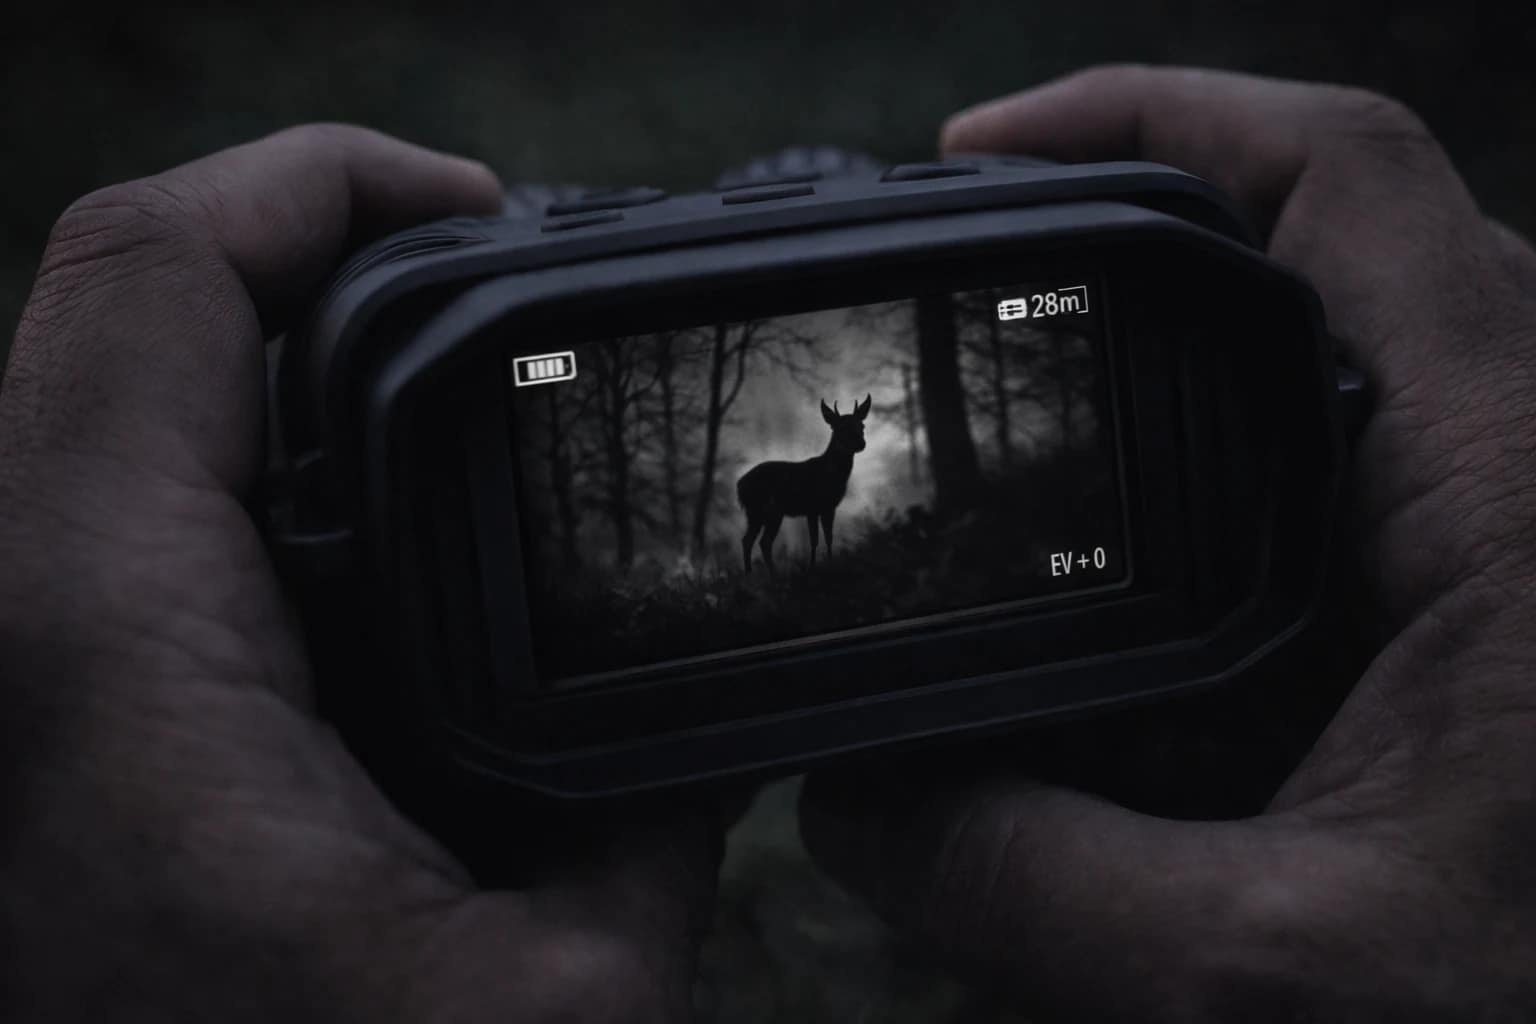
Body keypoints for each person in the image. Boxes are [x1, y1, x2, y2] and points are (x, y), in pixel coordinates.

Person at [2, 64, 1533, 1021]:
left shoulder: (845, 457)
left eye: (864, 439)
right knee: (776, 544)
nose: (858, 448)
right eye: (853, 439)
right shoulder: (791, 474)